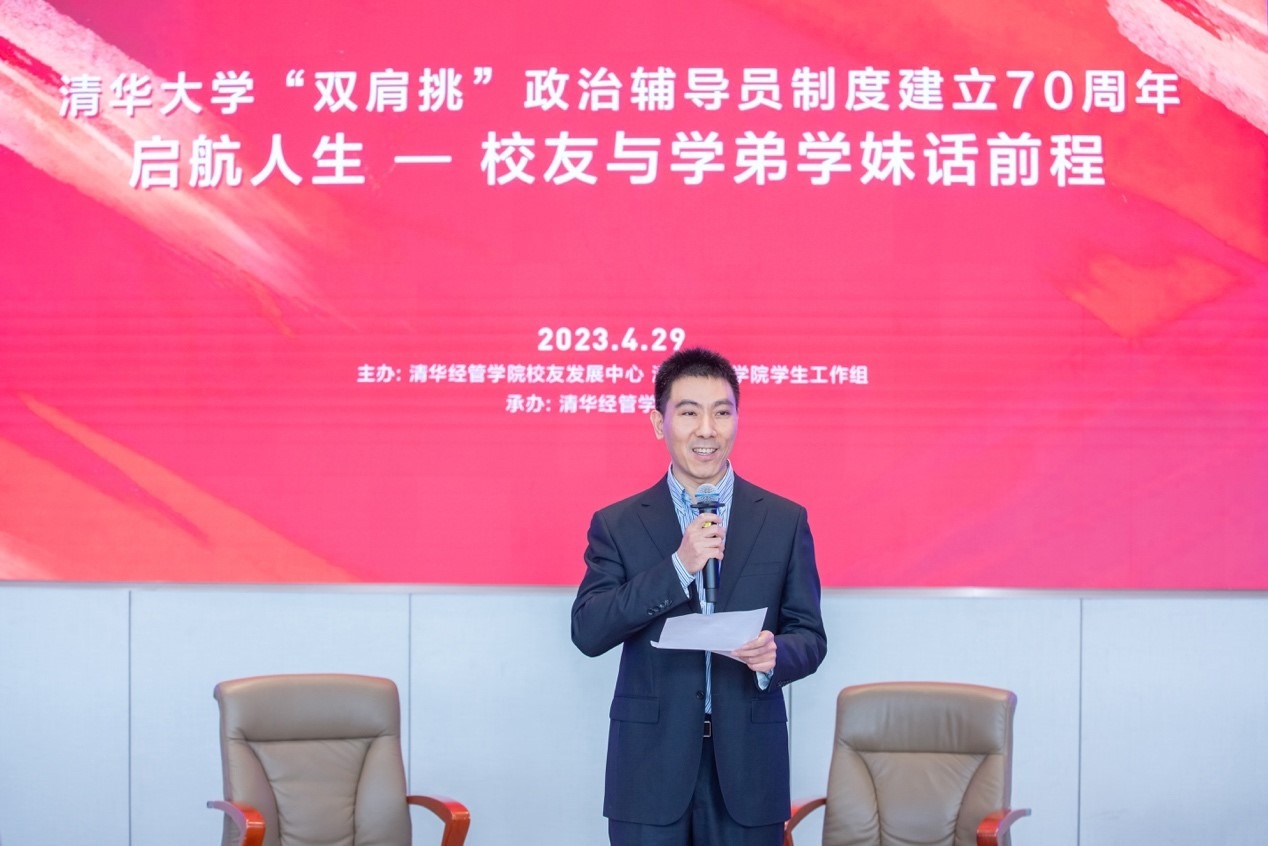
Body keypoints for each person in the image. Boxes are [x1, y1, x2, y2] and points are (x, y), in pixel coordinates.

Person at [572, 347, 828, 846]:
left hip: (749, 766)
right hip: (649, 768)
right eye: (689, 413)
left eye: (722, 413)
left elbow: (810, 636)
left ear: (737, 421)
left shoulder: (783, 520)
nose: (707, 430)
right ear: (659, 423)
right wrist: (678, 567)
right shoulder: (618, 524)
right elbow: (589, 630)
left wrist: (776, 654)